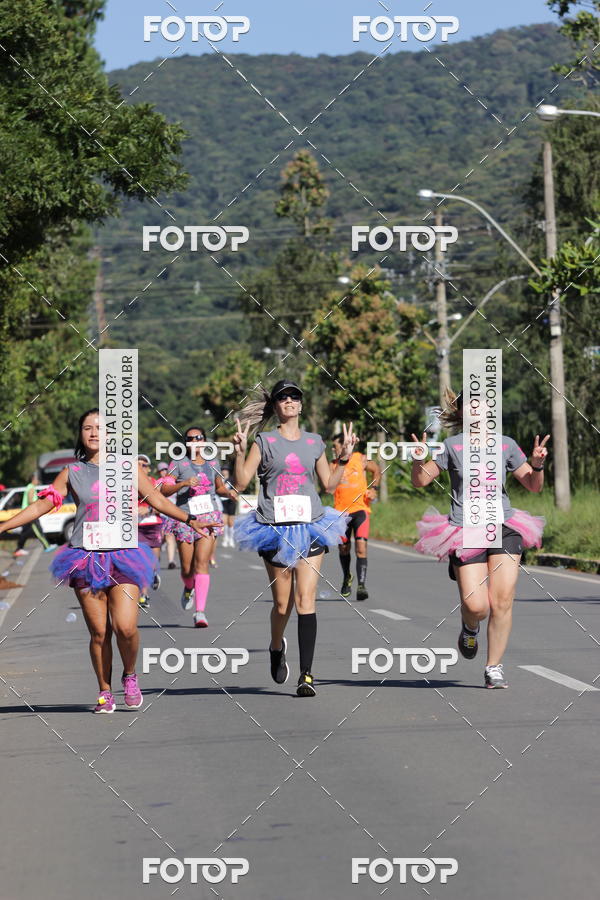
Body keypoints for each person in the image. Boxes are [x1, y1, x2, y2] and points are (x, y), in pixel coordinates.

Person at [0, 409, 216, 713]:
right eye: (87, 428)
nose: (93, 433)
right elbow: (41, 506)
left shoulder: (127, 467)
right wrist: (4, 526)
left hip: (124, 554)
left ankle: (130, 675)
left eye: (99, 428)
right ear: (80, 434)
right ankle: (104, 690)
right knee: (99, 632)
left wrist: (190, 518)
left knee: (126, 627)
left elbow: (157, 500)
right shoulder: (72, 472)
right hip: (85, 556)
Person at [411, 390, 548, 689]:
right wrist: (418, 459)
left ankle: (493, 667)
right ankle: (469, 626)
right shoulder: (451, 446)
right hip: (465, 529)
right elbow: (420, 480)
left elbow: (533, 486)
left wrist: (537, 465)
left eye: (481, 402)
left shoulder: (506, 445)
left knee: (502, 600)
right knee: (476, 606)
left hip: (504, 525)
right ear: (460, 412)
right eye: (469, 404)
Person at [233, 380, 354, 697]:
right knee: (282, 603)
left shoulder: (315, 442)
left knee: (305, 601)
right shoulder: (264, 440)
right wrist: (238, 450)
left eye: (294, 397)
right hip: (274, 527)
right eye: (283, 397)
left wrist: (343, 459)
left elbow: (328, 485)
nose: (289, 400)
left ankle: (307, 675)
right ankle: (276, 647)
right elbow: (242, 479)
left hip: (311, 524)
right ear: (275, 406)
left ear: (301, 405)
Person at [160, 426, 236, 627]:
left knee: (201, 563)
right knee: (187, 569)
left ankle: (200, 612)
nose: (195, 442)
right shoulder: (177, 464)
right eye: (190, 439)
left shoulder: (213, 462)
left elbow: (219, 487)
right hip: (185, 517)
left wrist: (228, 493)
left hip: (209, 517)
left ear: (204, 441)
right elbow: (165, 491)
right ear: (185, 442)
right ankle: (188, 588)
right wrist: (183, 484)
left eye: (199, 438)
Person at [330, 434, 380, 601]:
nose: (333, 449)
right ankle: (346, 577)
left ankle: (361, 585)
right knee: (344, 548)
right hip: (340, 513)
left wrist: (374, 489)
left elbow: (377, 470)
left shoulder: (360, 458)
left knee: (361, 547)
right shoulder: (332, 465)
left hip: (360, 510)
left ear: (344, 446)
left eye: (335, 446)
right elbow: (326, 486)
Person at [136, 454, 163, 608]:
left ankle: (153, 574)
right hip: (136, 527)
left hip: (153, 525)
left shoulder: (155, 484)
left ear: (149, 469)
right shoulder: (127, 484)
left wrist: (148, 509)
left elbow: (161, 504)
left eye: (144, 465)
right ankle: (143, 596)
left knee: (152, 563)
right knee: (142, 563)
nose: (140, 467)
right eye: (137, 464)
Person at [12, 473, 57, 557]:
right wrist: (40, 502)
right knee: (38, 529)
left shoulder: (30, 487)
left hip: (27, 512)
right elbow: (30, 501)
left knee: (25, 532)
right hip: (30, 512)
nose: (37, 481)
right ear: (33, 479)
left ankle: (18, 549)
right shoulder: (31, 488)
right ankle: (47, 546)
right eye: (36, 479)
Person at [156, 461, 177, 569]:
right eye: (161, 470)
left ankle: (171, 561)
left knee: (170, 536)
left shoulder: (173, 481)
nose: (164, 472)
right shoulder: (157, 483)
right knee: (161, 537)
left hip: (173, 513)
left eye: (165, 469)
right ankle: (156, 556)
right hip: (161, 514)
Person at [220, 461, 238, 548]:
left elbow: (237, 489)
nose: (224, 471)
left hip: (231, 502)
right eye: (223, 470)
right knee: (224, 521)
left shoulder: (232, 479)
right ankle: (225, 538)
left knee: (231, 522)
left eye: (226, 470)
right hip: (222, 501)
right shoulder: (219, 479)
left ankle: (231, 538)